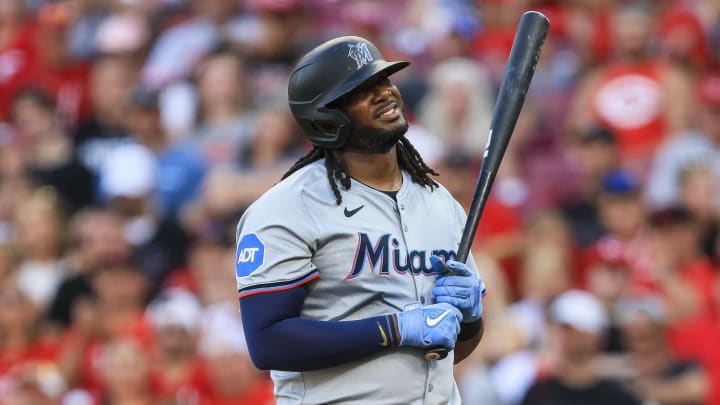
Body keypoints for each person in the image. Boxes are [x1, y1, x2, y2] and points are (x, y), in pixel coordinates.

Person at [235, 36, 486, 404]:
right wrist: (394, 328)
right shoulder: (287, 207)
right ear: (326, 116)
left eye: (384, 81)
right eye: (363, 90)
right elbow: (268, 341)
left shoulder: (439, 203)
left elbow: (448, 350)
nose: (385, 93)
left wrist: (469, 318)